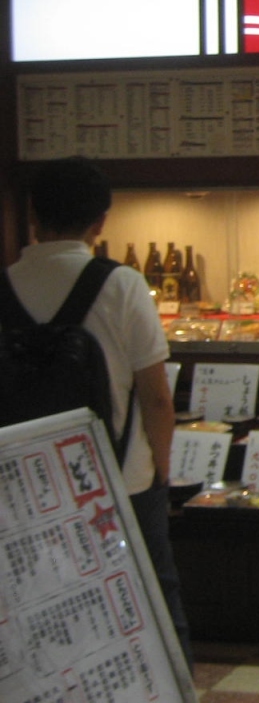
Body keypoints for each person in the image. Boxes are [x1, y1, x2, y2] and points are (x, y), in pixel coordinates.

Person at [4, 157, 192, 670]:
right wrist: (160, 470)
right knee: (152, 599)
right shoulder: (122, 285)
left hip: (29, 489)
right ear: (101, 221)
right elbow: (156, 398)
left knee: (50, 609)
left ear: (33, 215)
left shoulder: (5, 285)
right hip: (120, 479)